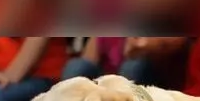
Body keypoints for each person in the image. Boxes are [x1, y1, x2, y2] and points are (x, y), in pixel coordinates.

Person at [60, 37, 189, 88]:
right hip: (107, 82)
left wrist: (143, 46)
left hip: (149, 80)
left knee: (133, 66)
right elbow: (87, 60)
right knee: (77, 66)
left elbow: (175, 44)